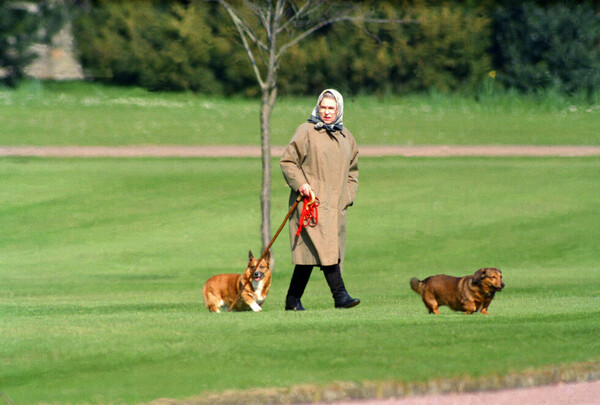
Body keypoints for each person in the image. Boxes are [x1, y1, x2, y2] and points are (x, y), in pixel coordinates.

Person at [280, 89, 360, 310]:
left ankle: (292, 300)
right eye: (323, 107)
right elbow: (288, 162)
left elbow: (353, 171)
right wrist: (301, 184)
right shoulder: (305, 131)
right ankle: (340, 296)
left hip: (336, 208)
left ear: (339, 110)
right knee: (327, 250)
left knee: (311, 256)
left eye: (331, 108)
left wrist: (348, 196)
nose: (326, 112)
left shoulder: (347, 138)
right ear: (317, 107)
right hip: (309, 206)